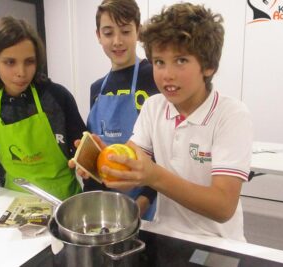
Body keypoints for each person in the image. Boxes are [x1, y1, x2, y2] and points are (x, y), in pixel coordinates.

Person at [81, 3, 253, 241]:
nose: (167, 74)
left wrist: (153, 175)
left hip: (218, 242)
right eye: (159, 62)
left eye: (180, 60)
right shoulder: (153, 107)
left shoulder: (230, 115)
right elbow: (126, 177)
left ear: (209, 66)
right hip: (164, 235)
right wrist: (100, 162)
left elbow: (223, 207)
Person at [0, 16, 86, 225]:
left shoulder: (57, 97)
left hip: (66, 206)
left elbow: (84, 152)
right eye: (10, 62)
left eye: (29, 62)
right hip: (16, 208)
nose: (21, 73)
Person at [84, 0, 159, 220]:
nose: (117, 41)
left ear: (138, 31)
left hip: (149, 201)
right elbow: (97, 149)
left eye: (125, 31)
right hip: (108, 205)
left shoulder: (154, 77)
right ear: (98, 35)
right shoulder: (97, 89)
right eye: (108, 33)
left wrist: (143, 201)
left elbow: (166, 152)